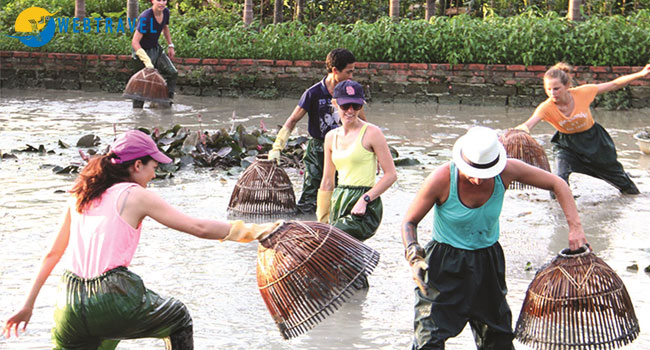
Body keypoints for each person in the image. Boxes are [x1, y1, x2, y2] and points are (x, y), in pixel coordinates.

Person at [1, 130, 278, 349]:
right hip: (111, 294)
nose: (155, 173)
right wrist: (259, 232)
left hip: (68, 301)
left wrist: (27, 305)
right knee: (178, 317)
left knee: (103, 335)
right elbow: (198, 227)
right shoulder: (134, 195)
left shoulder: (80, 193)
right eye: (153, 166)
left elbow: (52, 253)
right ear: (137, 165)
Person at [401, 126, 588, 350]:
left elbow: (558, 184)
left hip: (486, 264)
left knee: (498, 340)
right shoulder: (441, 179)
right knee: (428, 340)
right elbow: (409, 222)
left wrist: (575, 228)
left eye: (485, 174)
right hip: (444, 265)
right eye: (474, 174)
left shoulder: (507, 171)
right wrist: (414, 256)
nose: (479, 181)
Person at [516, 62, 650, 195]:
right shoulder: (546, 107)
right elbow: (528, 124)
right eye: (548, 89)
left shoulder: (583, 92)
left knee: (627, 187)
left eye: (556, 89)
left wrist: (641, 73)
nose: (552, 93)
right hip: (566, 145)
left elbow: (614, 84)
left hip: (594, 142)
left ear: (567, 86)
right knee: (557, 182)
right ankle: (561, 212)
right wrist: (517, 132)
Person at [268, 48, 366, 213]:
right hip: (317, 149)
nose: (351, 77)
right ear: (335, 70)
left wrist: (370, 151)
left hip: (341, 148)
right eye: (349, 72)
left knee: (340, 192)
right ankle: (305, 227)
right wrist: (277, 146)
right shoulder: (313, 93)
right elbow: (293, 120)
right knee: (310, 192)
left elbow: (363, 122)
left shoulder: (350, 93)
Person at [317, 80, 397, 242]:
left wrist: (365, 199)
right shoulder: (331, 137)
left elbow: (391, 175)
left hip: (366, 203)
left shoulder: (373, 133)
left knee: (333, 238)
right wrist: (322, 220)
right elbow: (327, 181)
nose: (351, 111)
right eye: (345, 106)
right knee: (328, 244)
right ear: (335, 103)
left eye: (356, 106)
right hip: (339, 200)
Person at [131, 0, 177, 108]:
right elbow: (135, 42)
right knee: (141, 88)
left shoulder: (165, 12)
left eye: (164, 0)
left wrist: (170, 45)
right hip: (142, 52)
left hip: (156, 49)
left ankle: (166, 101)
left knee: (172, 72)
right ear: (152, 1)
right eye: (158, 0)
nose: (162, 3)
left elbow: (165, 27)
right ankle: (138, 116)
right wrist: (146, 61)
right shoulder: (146, 18)